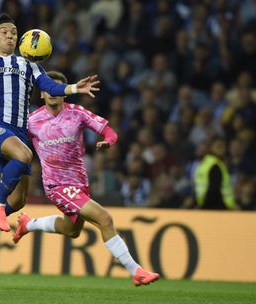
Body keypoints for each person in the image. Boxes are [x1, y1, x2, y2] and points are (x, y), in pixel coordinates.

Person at [0, 14, 99, 253]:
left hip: (18, 132)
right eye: (4, 32)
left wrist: (75, 87)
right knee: (24, 156)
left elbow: (50, 86)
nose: (10, 35)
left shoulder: (30, 66)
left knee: (18, 201)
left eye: (14, 32)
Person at [13, 71, 159, 286]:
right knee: (105, 218)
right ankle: (136, 271)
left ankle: (28, 224)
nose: (53, 93)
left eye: (58, 89)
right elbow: (11, 140)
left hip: (80, 184)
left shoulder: (77, 113)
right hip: (56, 185)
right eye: (48, 89)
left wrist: (109, 140)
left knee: (72, 230)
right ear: (42, 94)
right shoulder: (31, 121)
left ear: (64, 93)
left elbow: (109, 131)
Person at [194, 137, 237, 210]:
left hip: (206, 206)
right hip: (218, 208)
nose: (222, 149)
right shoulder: (215, 165)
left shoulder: (205, 164)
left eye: (223, 146)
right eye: (218, 146)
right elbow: (213, 191)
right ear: (211, 148)